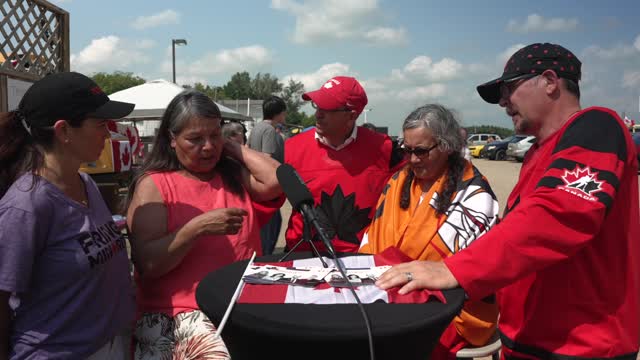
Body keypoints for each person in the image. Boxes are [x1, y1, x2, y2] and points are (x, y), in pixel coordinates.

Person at [376, 43, 640, 358]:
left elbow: (557, 216)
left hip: (582, 347)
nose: (503, 102)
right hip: (526, 342)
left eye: (509, 88)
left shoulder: (597, 126)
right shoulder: (538, 153)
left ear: (550, 81)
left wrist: (455, 270)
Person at [125, 90, 282, 359]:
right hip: (176, 314)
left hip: (239, 306)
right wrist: (196, 228)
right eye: (195, 139)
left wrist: (231, 147)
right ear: (171, 139)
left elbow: (277, 179)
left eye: (214, 135)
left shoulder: (231, 175)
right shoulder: (155, 184)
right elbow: (148, 265)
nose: (208, 146)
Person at [0, 72, 135, 359]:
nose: (108, 133)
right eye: (100, 124)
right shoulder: (27, 205)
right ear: (64, 132)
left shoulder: (87, 184)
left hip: (108, 347)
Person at [359, 104, 499, 358]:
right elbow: (373, 239)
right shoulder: (397, 181)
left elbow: (473, 273)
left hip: (450, 311)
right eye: (407, 150)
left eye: (421, 151)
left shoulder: (475, 195)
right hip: (387, 294)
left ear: (447, 146)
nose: (412, 159)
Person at [284, 76, 405, 253]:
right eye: (317, 106)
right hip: (303, 253)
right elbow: (264, 196)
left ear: (352, 115)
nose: (318, 114)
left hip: (362, 257)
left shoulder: (385, 150)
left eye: (327, 108)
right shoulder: (291, 148)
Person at [248, 95, 286, 255]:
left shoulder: (256, 128)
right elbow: (266, 158)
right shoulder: (269, 130)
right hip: (267, 190)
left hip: (255, 186)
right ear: (279, 113)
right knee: (270, 229)